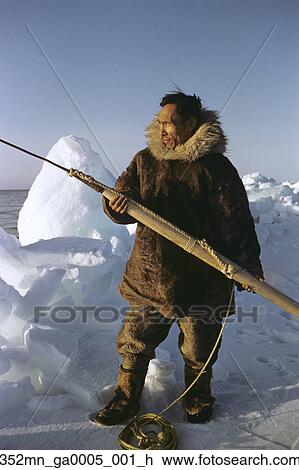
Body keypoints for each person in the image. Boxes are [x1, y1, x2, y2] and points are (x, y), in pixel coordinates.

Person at [96, 91, 264, 426]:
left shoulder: (216, 167)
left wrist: (249, 265)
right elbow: (121, 199)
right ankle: (126, 396)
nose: (163, 131)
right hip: (149, 276)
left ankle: (198, 396)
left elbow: (237, 220)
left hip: (203, 280)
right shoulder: (144, 161)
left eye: (170, 123)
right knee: (134, 343)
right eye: (159, 123)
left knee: (199, 349)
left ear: (191, 123)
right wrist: (116, 205)